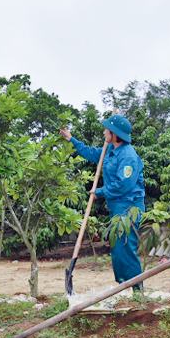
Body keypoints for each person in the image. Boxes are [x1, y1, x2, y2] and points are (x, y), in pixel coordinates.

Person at [60, 114, 145, 287]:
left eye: (107, 129)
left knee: (125, 250)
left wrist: (99, 192)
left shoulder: (128, 155)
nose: (104, 131)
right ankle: (123, 288)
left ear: (115, 134)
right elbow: (91, 153)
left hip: (129, 206)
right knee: (117, 249)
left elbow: (124, 184)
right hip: (116, 207)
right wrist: (71, 140)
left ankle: (136, 291)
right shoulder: (110, 151)